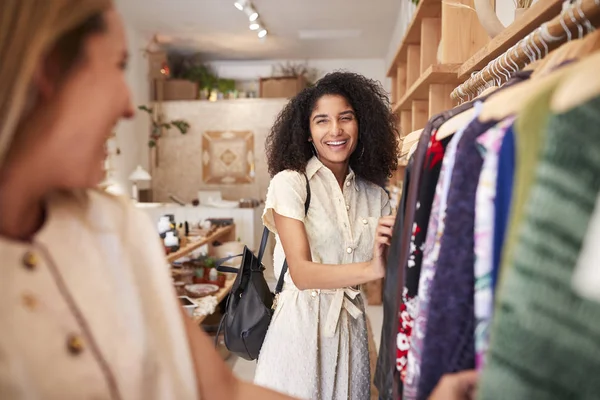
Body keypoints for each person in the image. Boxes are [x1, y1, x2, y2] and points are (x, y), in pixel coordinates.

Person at [0, 1, 296, 399]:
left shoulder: (116, 225)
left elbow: (223, 390)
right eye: (118, 65)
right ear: (48, 68)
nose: (127, 105)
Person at [253, 72, 399, 399]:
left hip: (352, 328)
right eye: (322, 121)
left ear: (361, 125)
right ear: (307, 131)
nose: (335, 130)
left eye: (345, 118)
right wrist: (371, 270)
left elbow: (392, 264)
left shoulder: (376, 195)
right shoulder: (290, 184)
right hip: (299, 329)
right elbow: (302, 274)